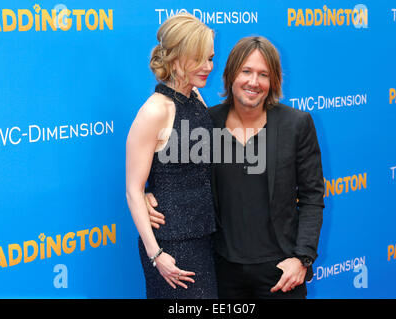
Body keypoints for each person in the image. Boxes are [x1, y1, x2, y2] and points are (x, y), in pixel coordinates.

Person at [147, 36, 324, 299]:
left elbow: (312, 197)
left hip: (280, 272)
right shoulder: (207, 122)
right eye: (246, 71)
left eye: (263, 74)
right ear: (230, 75)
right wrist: (149, 194)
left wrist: (302, 259)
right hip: (221, 271)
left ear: (273, 81)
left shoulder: (296, 125)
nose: (254, 82)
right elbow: (178, 172)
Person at [125, 13, 217, 299]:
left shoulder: (196, 98)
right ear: (176, 60)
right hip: (172, 246)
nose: (208, 67)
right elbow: (132, 190)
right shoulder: (154, 111)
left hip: (205, 234)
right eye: (200, 59)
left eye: (211, 58)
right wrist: (157, 256)